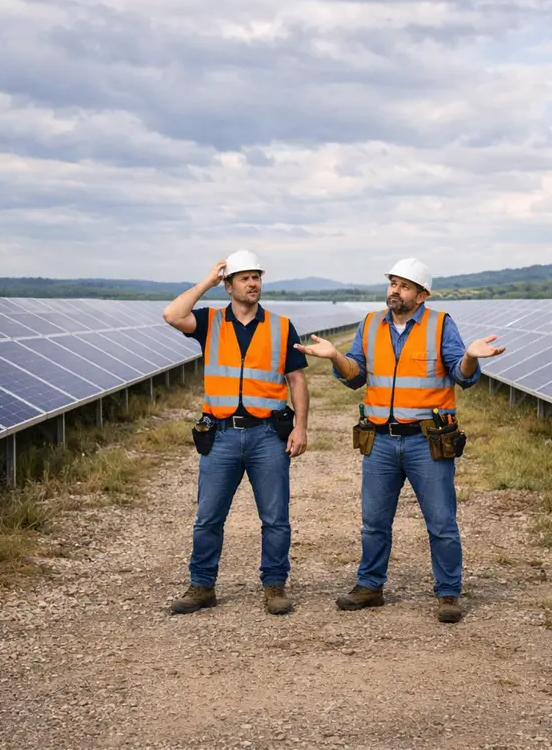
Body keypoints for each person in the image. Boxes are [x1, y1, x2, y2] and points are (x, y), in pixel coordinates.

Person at [295, 257, 504, 623]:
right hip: (380, 440)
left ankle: (449, 592)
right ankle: (370, 585)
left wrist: (471, 357)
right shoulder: (371, 323)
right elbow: (355, 374)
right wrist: (336, 358)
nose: (395, 290)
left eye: (404, 285)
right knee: (374, 521)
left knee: (441, 521)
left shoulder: (440, 325)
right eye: (392, 283)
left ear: (422, 295)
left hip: (428, 440)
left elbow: (462, 374)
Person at [162, 249, 310, 616]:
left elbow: (297, 380)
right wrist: (206, 282)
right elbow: (171, 314)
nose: (253, 283)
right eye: (244, 278)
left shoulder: (280, 326)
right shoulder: (210, 321)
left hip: (268, 435)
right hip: (222, 434)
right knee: (209, 516)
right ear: (228, 286)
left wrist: (301, 427)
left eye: (256, 277)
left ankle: (275, 586)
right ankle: (202, 585)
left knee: (275, 517)